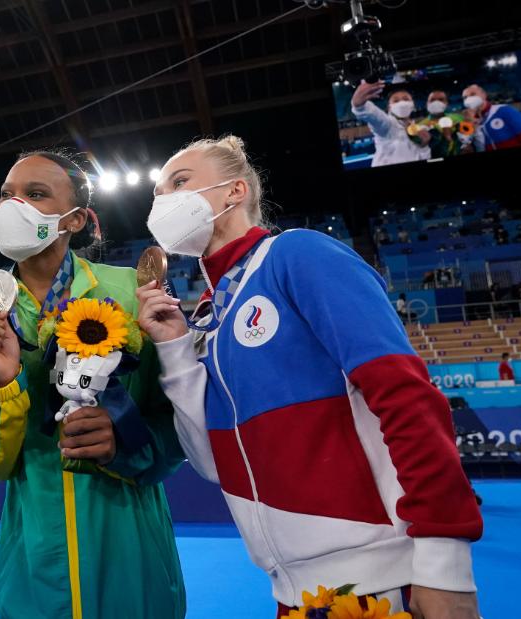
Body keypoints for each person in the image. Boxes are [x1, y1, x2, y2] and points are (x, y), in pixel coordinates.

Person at [137, 135, 482, 618]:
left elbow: (405, 395)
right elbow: (214, 464)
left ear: (234, 192)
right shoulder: (207, 316)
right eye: (156, 193)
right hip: (293, 593)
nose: (162, 201)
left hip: (386, 580)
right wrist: (174, 347)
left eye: (179, 182)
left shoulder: (296, 255)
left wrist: (444, 562)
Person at [0, 150, 186, 618]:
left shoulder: (131, 292)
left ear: (76, 220)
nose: (13, 205)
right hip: (33, 560)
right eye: (6, 195)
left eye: (35, 194)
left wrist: (125, 440)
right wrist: (1, 385)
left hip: (132, 551)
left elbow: (182, 423)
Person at [350, 82, 430, 167]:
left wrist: (424, 147)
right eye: (396, 100)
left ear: (413, 105)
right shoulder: (388, 125)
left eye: (406, 99)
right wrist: (359, 106)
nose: (402, 103)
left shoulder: (419, 129)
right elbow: (375, 116)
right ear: (389, 108)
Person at [462, 84, 521, 151]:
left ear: (484, 95)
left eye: (473, 94)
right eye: (465, 97)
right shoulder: (468, 121)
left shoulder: (504, 110)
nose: (468, 99)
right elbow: (466, 145)